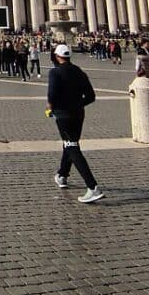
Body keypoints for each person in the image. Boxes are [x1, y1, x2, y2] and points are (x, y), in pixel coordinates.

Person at [46, 44, 103, 203]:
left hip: (63, 115)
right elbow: (91, 96)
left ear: (57, 56)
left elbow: (51, 95)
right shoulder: (79, 72)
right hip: (79, 114)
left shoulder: (55, 72)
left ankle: (93, 187)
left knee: (72, 147)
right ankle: (62, 175)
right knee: (70, 144)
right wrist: (77, 104)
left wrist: (51, 108)